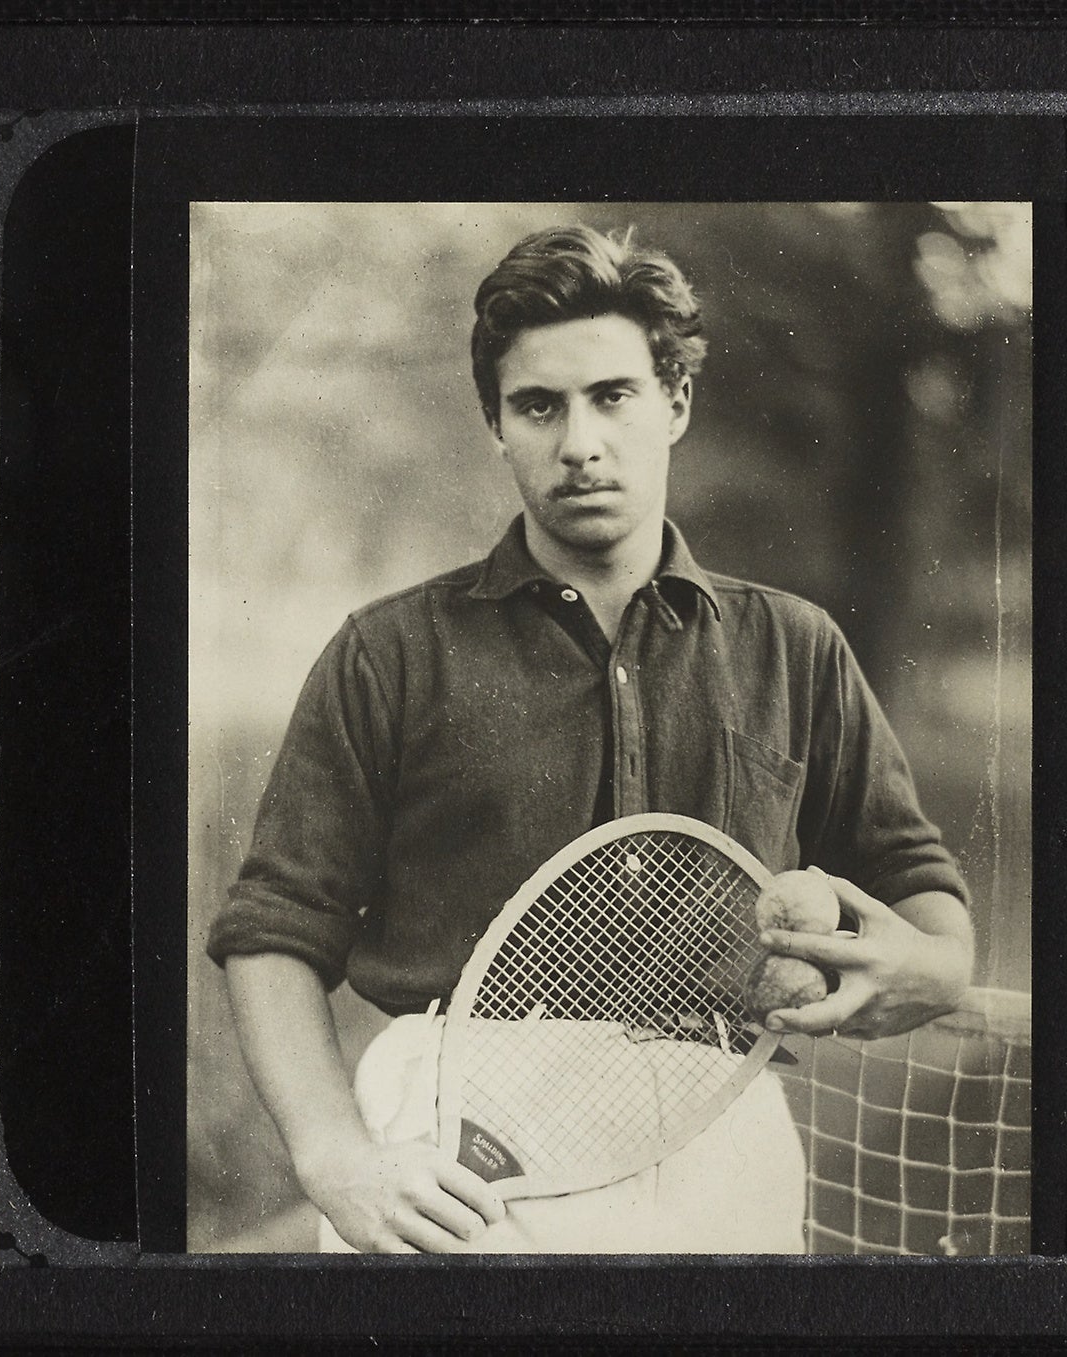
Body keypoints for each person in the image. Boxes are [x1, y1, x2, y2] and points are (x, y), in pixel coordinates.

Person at [207, 224, 974, 1255]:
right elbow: (272, 934)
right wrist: (335, 1158)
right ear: (496, 423)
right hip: (455, 1142)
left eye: (612, 395)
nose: (580, 442)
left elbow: (922, 891)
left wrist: (936, 969)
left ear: (675, 404)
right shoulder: (388, 653)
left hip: (720, 1130)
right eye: (539, 405)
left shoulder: (793, 647)